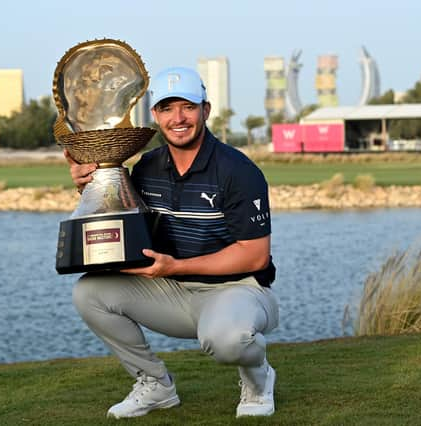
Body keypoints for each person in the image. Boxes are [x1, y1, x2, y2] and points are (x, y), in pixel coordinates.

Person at [67, 66, 279, 419]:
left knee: (228, 341)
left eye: (188, 107)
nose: (178, 118)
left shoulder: (238, 171)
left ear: (205, 111)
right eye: (167, 108)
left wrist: (175, 266)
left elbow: (255, 256)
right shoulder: (148, 166)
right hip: (173, 291)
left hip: (239, 291)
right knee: (88, 293)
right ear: (155, 115)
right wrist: (89, 183)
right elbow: (118, 221)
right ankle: (156, 385)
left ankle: (259, 380)